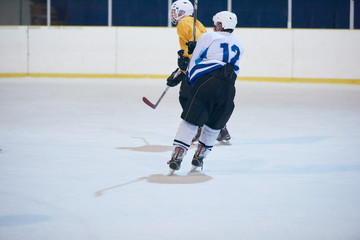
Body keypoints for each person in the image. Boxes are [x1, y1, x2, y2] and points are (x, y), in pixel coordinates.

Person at [167, 11, 244, 174]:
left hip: (207, 83)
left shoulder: (207, 37)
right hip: (229, 88)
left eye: (216, 23)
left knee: (190, 121)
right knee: (214, 125)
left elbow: (194, 64)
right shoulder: (240, 45)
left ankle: (178, 154)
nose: (214, 26)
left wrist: (187, 75)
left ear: (221, 25)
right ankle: (201, 155)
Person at [166, 0, 231, 143]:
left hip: (197, 68)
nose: (173, 14)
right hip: (201, 67)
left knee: (186, 97)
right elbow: (194, 47)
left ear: (183, 12)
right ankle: (221, 129)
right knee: (198, 98)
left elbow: (196, 46)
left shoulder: (184, 23)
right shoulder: (196, 23)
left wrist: (185, 67)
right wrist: (180, 69)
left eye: (175, 11)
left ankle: (200, 127)